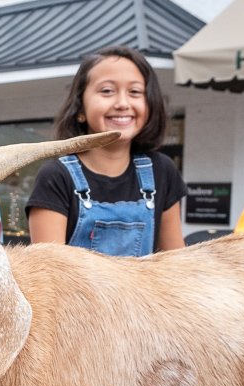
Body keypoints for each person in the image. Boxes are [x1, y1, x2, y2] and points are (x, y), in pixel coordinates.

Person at [27, 45, 186, 255]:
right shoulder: (56, 177)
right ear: (80, 109)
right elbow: (49, 275)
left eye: (135, 92)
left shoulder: (162, 171)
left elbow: (176, 265)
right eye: (107, 91)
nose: (122, 103)